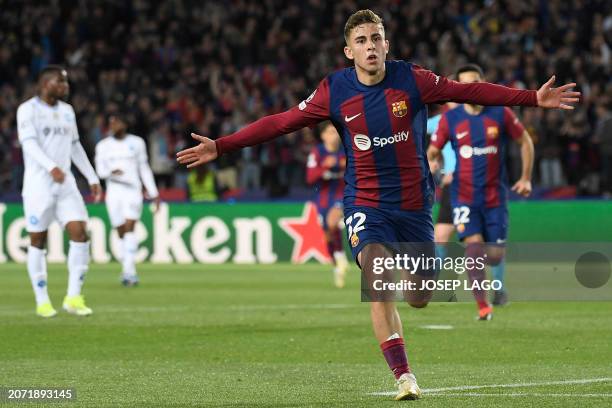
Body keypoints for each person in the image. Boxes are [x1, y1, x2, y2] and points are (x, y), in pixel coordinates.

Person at [176, 10, 579, 400]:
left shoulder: (413, 80)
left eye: (376, 39)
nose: (370, 47)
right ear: (348, 51)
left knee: (420, 296)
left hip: (415, 204)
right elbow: (280, 122)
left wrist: (530, 99)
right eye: (361, 41)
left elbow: (466, 90)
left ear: (387, 44)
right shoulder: (333, 91)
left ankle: (412, 286)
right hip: (366, 202)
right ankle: (404, 376)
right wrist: (222, 145)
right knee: (376, 270)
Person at [428, 64, 535, 319]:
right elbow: (433, 151)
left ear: (484, 83)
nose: (471, 90)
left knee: (495, 256)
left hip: (495, 198)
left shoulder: (500, 113)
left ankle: (491, 281)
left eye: (475, 83)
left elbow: (525, 141)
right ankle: (482, 306)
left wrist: (526, 178)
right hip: (464, 196)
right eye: (465, 86)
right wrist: (433, 163)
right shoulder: (450, 119)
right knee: (471, 248)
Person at [17, 65, 102, 317]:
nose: (65, 87)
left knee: (80, 233)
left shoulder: (67, 111)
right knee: (37, 240)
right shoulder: (28, 110)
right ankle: (42, 300)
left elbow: (75, 145)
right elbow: (28, 143)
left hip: (65, 184)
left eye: (66, 83)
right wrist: (50, 166)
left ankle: (73, 297)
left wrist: (91, 176)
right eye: (60, 82)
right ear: (45, 84)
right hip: (38, 185)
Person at [95, 114, 160, 286]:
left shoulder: (137, 143)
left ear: (125, 123)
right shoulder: (103, 146)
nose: (113, 125)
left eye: (116, 122)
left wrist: (153, 192)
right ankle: (127, 267)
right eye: (111, 122)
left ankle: (129, 272)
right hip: (114, 191)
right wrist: (111, 173)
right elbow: (100, 171)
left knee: (130, 227)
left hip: (132, 190)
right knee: (121, 230)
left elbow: (144, 167)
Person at [306, 122, 349, 288]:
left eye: (335, 132)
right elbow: (310, 178)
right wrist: (325, 166)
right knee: (328, 234)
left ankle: (340, 258)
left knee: (332, 221)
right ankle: (338, 262)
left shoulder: (345, 150)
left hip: (342, 194)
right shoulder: (317, 153)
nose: (333, 136)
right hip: (323, 197)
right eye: (330, 132)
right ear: (323, 135)